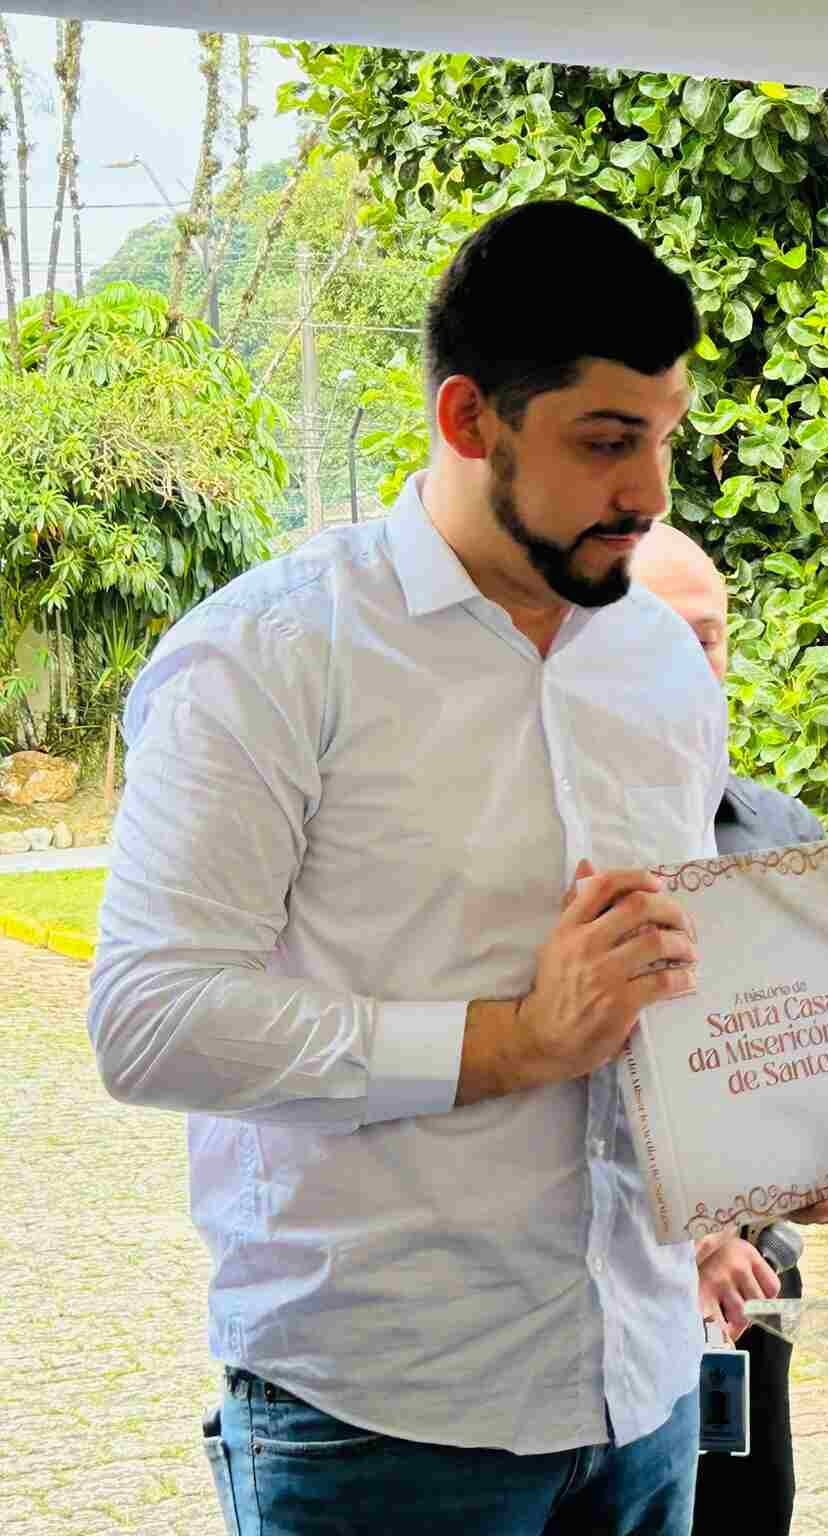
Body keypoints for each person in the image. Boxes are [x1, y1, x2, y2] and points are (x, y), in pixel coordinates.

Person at [92, 199, 716, 1535]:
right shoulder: (268, 656)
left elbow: (661, 973)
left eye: (665, 437)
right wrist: (512, 1042)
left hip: (650, 1387)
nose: (651, 495)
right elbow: (150, 1021)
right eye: (607, 441)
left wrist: (775, 1148)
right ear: (468, 420)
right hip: (382, 1419)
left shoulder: (661, 659)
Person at [634, 522, 828, 1536]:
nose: (689, 664)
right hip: (587, 1311)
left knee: (747, 1514)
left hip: (751, 1291)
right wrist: (688, 1238)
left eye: (705, 638)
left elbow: (826, 1072)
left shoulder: (777, 837)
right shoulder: (530, 840)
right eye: (656, 636)